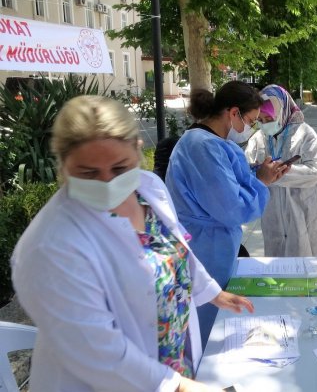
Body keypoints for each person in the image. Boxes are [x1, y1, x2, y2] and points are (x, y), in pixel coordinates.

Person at [11, 95, 254, 392]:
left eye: (119, 168)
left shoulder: (148, 189)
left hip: (174, 365)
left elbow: (175, 249)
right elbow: (99, 353)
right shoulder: (49, 247)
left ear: (138, 151)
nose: (107, 183)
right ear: (62, 166)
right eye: (88, 173)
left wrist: (212, 292)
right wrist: (178, 386)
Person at [166, 81, 286, 346]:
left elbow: (230, 182)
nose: (251, 128)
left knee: (216, 323)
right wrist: (262, 182)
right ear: (233, 113)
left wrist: (258, 174)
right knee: (209, 332)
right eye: (251, 121)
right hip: (205, 249)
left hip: (214, 245)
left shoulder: (210, 142)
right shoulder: (202, 146)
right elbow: (232, 208)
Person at [244, 84, 317, 257]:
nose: (265, 125)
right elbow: (247, 168)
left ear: (281, 111)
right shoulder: (258, 139)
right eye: (261, 120)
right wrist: (259, 172)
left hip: (303, 212)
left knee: (306, 265)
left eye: (269, 119)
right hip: (273, 217)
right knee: (278, 269)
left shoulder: (304, 134)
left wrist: (278, 174)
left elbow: (316, 168)